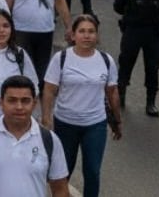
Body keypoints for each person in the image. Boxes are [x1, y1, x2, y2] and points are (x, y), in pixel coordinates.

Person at [41, 14, 121, 197]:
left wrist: (117, 121)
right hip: (65, 124)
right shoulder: (61, 58)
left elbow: (112, 92)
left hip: (95, 125)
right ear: (73, 35)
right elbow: (49, 90)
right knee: (62, 172)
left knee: (92, 171)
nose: (87, 36)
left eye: (91, 32)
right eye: (82, 31)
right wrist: (47, 117)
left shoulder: (106, 60)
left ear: (97, 35)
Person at [0, 76, 70, 197]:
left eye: (25, 101)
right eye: (12, 100)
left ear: (34, 103)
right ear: (1, 103)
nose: (19, 107)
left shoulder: (50, 140)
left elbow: (60, 189)